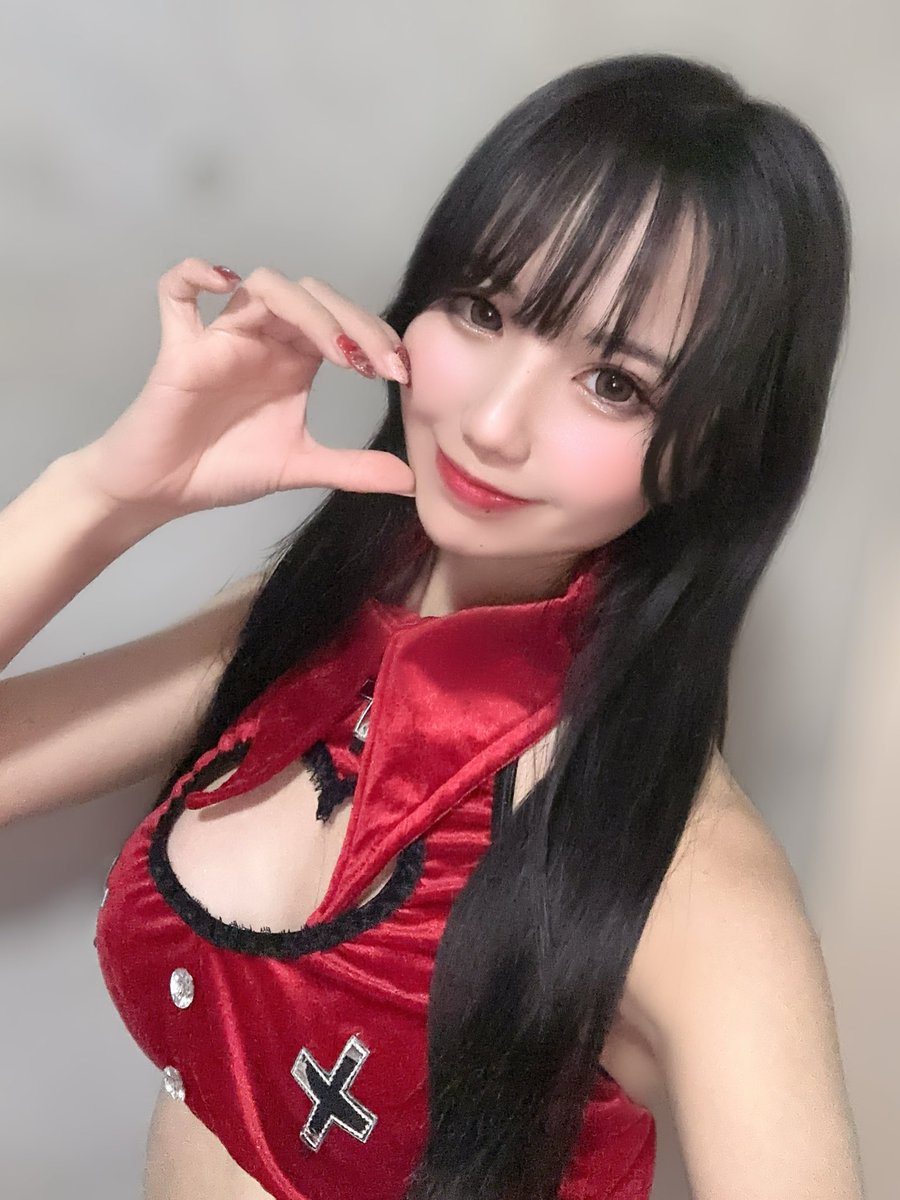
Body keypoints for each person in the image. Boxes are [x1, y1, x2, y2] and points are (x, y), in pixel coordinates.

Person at [0, 52, 864, 1200]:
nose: (494, 423)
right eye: (485, 310)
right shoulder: (308, 622)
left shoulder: (692, 880)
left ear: (714, 454)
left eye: (616, 384)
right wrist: (108, 494)